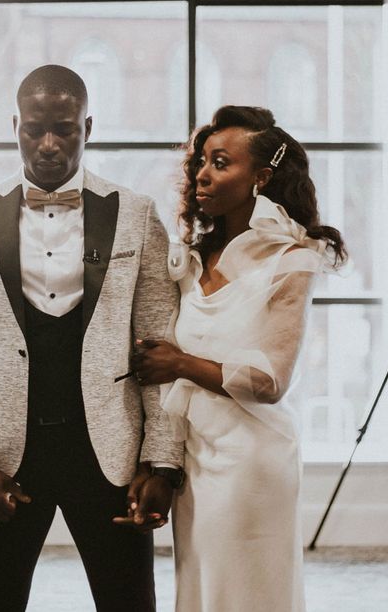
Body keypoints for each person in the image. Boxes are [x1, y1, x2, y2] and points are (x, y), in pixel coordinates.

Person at [0, 64, 184, 612]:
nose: (48, 144)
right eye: (34, 128)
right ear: (14, 126)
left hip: (110, 452)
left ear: (88, 128)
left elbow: (160, 351)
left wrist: (161, 462)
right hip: (3, 457)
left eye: (64, 128)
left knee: (128, 603)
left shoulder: (135, 213)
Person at [134, 105, 347, 612]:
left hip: (252, 458)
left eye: (221, 162)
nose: (202, 174)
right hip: (198, 455)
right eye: (201, 162)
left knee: (244, 595)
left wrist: (180, 364)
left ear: (262, 177)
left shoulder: (292, 259)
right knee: (203, 589)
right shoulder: (192, 253)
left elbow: (270, 380)